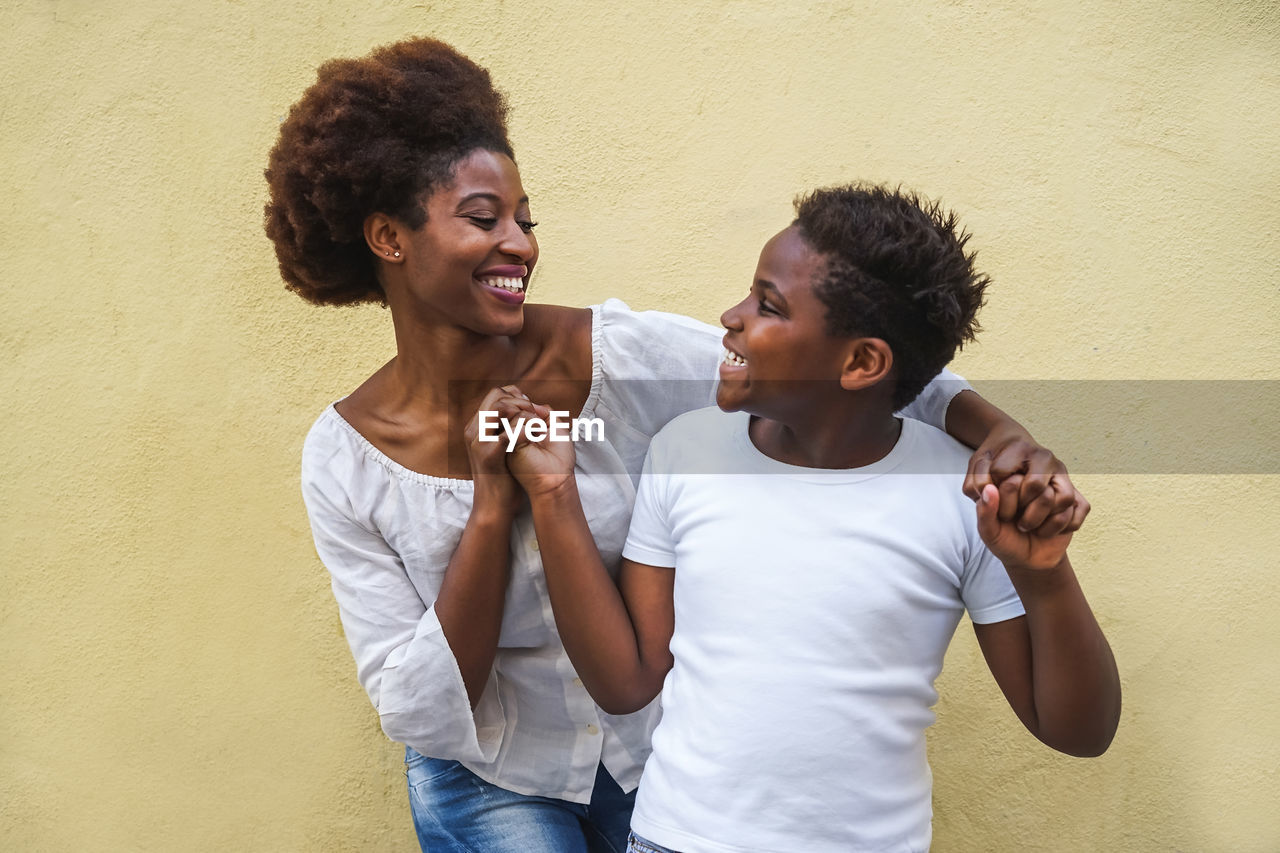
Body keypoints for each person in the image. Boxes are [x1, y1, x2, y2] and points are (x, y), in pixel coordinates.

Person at [264, 38, 1093, 853]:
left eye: (525, 218)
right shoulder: (347, 459)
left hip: (646, 752)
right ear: (388, 238)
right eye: (484, 219)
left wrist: (1006, 437)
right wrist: (492, 510)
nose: (520, 242)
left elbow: (870, 374)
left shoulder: (628, 362)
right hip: (493, 774)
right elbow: (421, 710)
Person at [507, 184, 1121, 853]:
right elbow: (626, 683)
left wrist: (1047, 575)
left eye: (767, 305)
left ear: (860, 362)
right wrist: (552, 495)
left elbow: (1078, 731)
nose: (732, 316)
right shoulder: (685, 451)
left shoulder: (964, 492)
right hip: (677, 839)